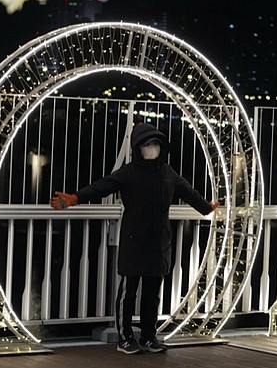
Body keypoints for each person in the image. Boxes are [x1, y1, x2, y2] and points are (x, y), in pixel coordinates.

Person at [50, 122, 218, 354]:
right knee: (129, 292)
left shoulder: (167, 173)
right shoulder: (129, 173)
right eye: (147, 144)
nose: (152, 148)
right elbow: (102, 186)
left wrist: (206, 207)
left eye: (155, 144)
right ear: (138, 148)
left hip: (159, 242)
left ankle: (149, 336)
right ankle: (125, 336)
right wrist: (75, 198)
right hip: (134, 240)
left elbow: (188, 192)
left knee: (152, 293)